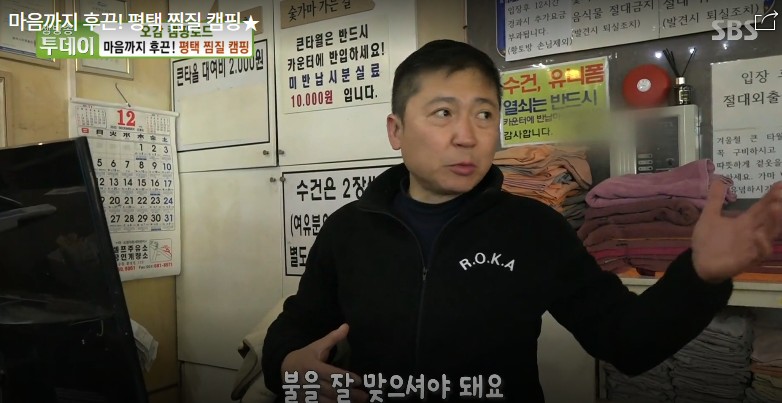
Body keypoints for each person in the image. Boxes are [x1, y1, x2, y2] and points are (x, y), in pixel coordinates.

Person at [261, 39, 782, 402]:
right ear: (396, 130)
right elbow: (296, 327)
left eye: (484, 114)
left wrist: (700, 275)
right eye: (443, 113)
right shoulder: (349, 229)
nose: (467, 135)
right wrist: (286, 367)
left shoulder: (533, 230)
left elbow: (627, 341)